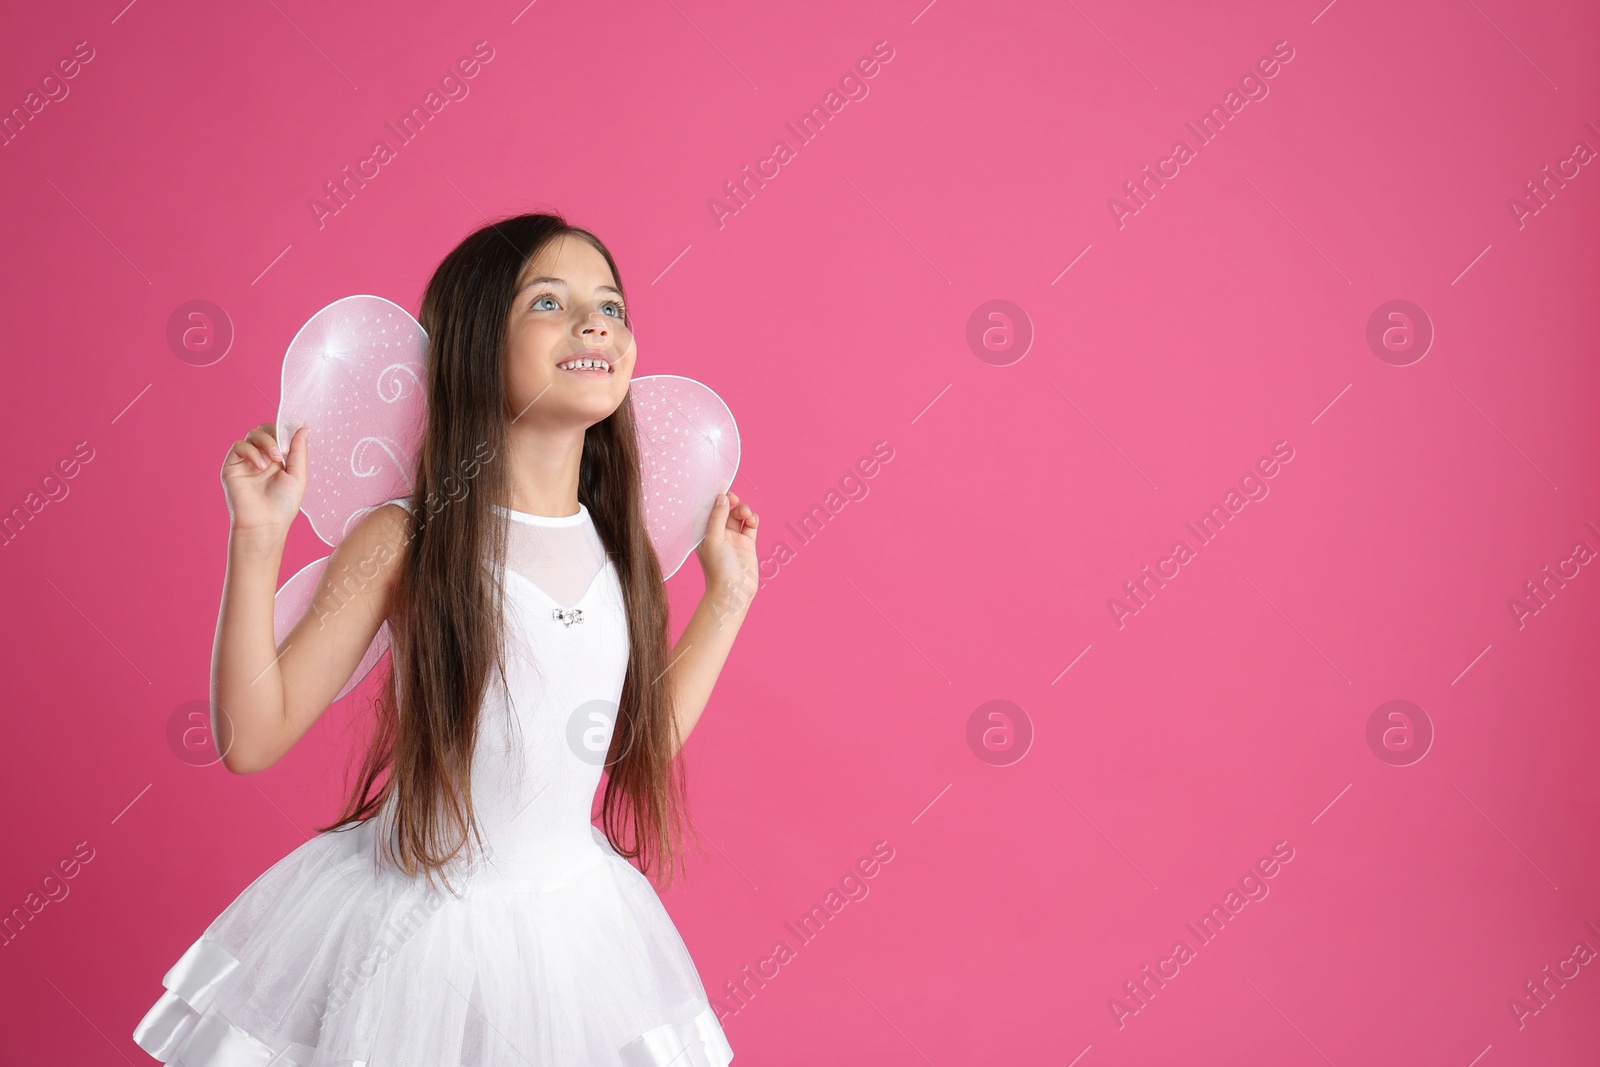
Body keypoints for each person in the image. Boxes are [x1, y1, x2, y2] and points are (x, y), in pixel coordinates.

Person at [132, 213, 757, 1066]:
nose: (595, 322)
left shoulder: (620, 550)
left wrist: (727, 599)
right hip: (411, 936)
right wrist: (257, 538)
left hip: (571, 934)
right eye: (550, 301)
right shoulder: (406, 539)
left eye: (611, 305)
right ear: (472, 344)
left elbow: (629, 746)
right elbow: (252, 736)